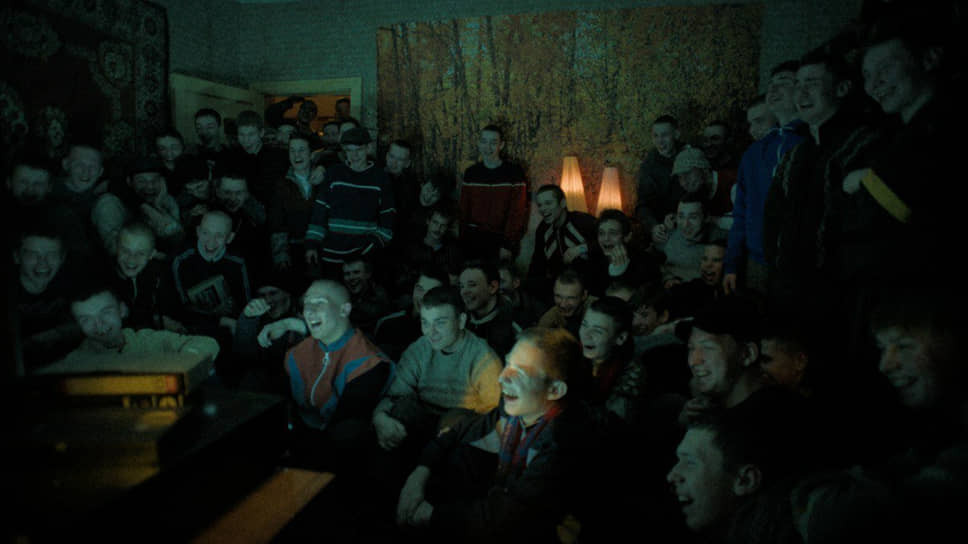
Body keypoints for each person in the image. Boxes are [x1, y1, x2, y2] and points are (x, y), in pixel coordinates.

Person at [394, 327, 602, 543]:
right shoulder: (516, 412)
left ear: (555, 390)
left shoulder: (565, 442)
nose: (502, 378)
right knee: (459, 456)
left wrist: (429, 515)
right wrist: (418, 477)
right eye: (508, 364)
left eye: (519, 372)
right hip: (500, 508)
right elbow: (458, 432)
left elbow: (507, 518)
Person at [373, 286, 502, 459]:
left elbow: (494, 417)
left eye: (440, 322)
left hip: (459, 435)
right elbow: (394, 397)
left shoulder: (483, 359)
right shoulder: (419, 349)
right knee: (400, 411)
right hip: (423, 424)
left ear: (461, 321)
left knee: (454, 420)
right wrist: (379, 417)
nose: (430, 332)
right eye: (425, 322)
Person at [284, 279, 393, 471]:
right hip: (302, 441)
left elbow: (343, 426)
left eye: (319, 303)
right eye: (307, 303)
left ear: (344, 310)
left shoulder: (368, 362)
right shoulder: (297, 353)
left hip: (338, 456)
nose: (309, 311)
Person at [723, 61, 804, 297]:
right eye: (771, 85)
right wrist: (732, 263)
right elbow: (741, 212)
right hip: (757, 260)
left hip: (799, 261)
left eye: (784, 82)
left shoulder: (810, 141)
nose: (774, 90)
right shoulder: (753, 154)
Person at [305, 127, 396, 277]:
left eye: (359, 150)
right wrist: (312, 245)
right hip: (331, 256)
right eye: (349, 150)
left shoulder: (381, 178)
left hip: (364, 260)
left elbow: (387, 221)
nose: (354, 155)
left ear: (368, 148)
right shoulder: (334, 174)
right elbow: (319, 214)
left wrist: (369, 249)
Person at [56, 285, 219, 366]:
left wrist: (184, 360)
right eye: (86, 319)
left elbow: (208, 343)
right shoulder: (74, 362)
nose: (99, 324)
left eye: (106, 312)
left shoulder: (147, 340)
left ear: (122, 310)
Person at [459, 124, 529, 261]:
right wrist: (462, 240)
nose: (488, 147)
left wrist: (508, 244)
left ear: (501, 145)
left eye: (493, 143)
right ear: (479, 143)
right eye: (484, 141)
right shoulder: (471, 173)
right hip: (473, 238)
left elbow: (517, 212)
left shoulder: (514, 172)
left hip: (501, 240)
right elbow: (464, 209)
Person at [268, 133, 326, 293]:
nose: (296, 155)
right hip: (295, 249)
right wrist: (280, 254)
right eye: (292, 151)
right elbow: (277, 222)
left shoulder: (324, 179)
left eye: (301, 150)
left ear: (311, 154)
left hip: (323, 248)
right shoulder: (281, 184)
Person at [91, 157, 184, 256]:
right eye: (141, 181)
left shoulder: (165, 199)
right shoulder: (109, 203)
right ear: (129, 182)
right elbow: (114, 249)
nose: (150, 186)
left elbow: (179, 239)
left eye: (155, 180)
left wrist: (158, 209)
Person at [579, 296, 646, 425]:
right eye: (584, 325)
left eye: (597, 331)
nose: (586, 335)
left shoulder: (632, 371)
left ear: (620, 338)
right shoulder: (573, 353)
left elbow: (614, 422)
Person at [527, 184, 597, 302]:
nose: (543, 209)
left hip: (589, 286)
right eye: (540, 205)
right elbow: (537, 263)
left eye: (548, 203)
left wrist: (581, 248)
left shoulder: (582, 221)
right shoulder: (543, 229)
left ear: (563, 203)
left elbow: (606, 242)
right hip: (559, 288)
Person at [458, 259, 520, 357]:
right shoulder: (460, 319)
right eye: (461, 286)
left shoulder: (513, 325)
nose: (464, 292)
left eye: (472, 285)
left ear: (492, 287)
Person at [635, 114, 684, 233]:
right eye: (656, 136)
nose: (660, 141)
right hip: (661, 226)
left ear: (676, 134)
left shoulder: (689, 156)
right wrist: (654, 227)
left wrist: (679, 216)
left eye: (665, 135)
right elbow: (642, 205)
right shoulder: (649, 166)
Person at [536, 267, 594, 339]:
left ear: (584, 295)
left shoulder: (598, 311)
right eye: (558, 296)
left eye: (571, 298)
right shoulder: (549, 319)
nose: (563, 305)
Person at [342, 256, 391, 336]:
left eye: (356, 272)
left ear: (367, 274)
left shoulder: (379, 295)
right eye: (347, 274)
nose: (351, 278)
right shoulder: (340, 295)